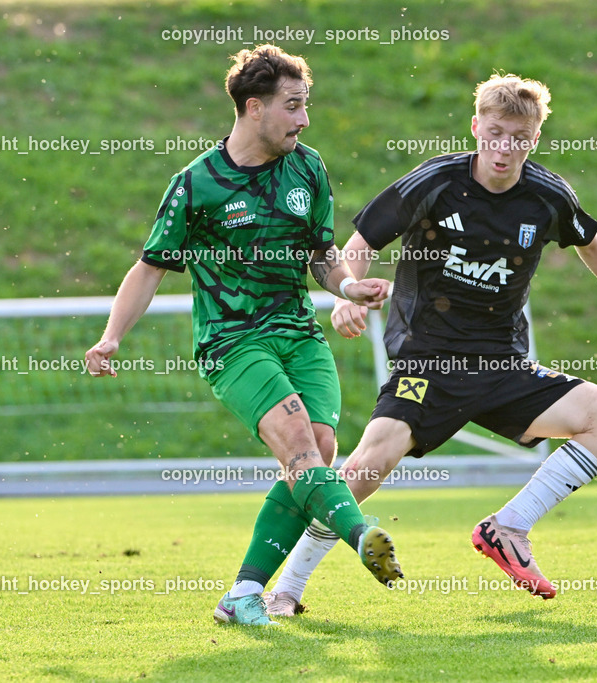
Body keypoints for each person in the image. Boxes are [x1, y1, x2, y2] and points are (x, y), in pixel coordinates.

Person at [260, 73, 597, 615]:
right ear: (476, 127)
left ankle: (510, 527)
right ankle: (288, 587)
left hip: (503, 367)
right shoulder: (435, 182)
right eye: (495, 133)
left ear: (535, 138)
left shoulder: (546, 196)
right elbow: (358, 244)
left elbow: (593, 243)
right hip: (428, 359)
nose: (505, 148)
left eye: (519, 137)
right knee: (364, 468)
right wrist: (350, 295)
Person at [84, 44, 403, 627]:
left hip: (298, 333)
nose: (304, 119)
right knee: (302, 446)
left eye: (306, 106)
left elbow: (321, 255)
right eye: (294, 106)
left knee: (320, 454)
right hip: (232, 341)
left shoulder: (308, 167)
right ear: (254, 108)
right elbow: (151, 266)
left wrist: (347, 287)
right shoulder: (197, 184)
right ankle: (361, 536)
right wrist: (111, 337)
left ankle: (241, 594)